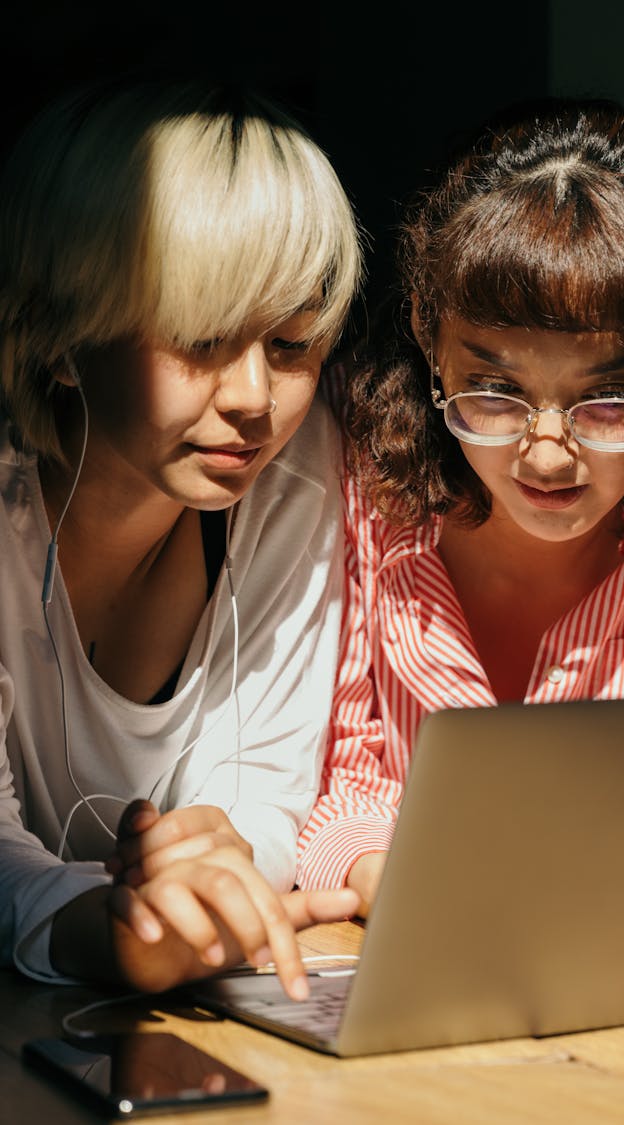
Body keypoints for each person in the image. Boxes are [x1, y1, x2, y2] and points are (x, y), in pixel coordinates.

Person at [295, 96, 624, 912]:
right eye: (495, 391)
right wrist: (386, 871)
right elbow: (341, 770)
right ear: (429, 335)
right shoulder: (353, 478)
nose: (546, 452)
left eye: (608, 401)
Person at [0, 72, 363, 995]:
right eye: (202, 338)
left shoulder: (296, 458)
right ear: (59, 339)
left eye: (291, 343)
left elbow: (266, 799)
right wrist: (120, 932)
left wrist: (225, 862)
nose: (253, 399)